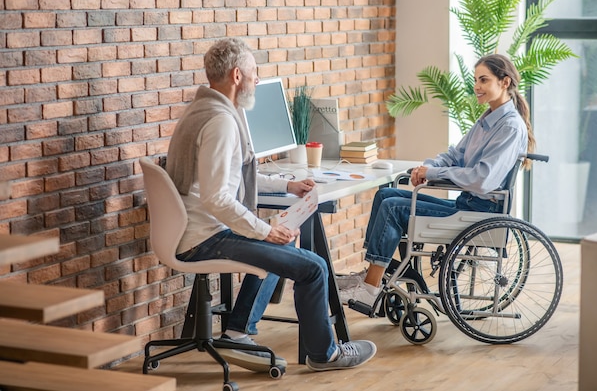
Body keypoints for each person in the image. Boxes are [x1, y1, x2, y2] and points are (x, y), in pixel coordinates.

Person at [165, 37, 376, 372]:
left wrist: (287, 185)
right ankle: (325, 355)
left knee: (285, 238)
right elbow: (216, 197)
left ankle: (237, 330)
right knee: (313, 267)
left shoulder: (203, 109)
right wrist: (264, 231)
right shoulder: (221, 122)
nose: (257, 79)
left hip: (196, 229)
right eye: (254, 71)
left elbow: (233, 175)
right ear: (237, 76)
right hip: (205, 238)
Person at [339, 53, 535, 307]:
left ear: (505, 82)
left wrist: (432, 174)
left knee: (393, 207)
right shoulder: (488, 119)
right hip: (468, 204)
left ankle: (370, 287)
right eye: (476, 80)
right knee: (385, 194)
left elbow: (482, 179)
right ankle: (372, 275)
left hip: (482, 211)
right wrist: (427, 167)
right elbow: (455, 154)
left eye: (484, 80)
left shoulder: (509, 126)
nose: (477, 87)